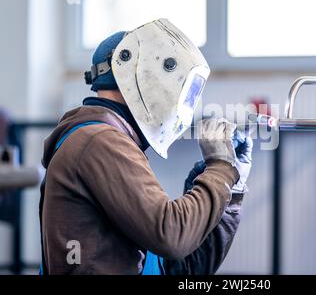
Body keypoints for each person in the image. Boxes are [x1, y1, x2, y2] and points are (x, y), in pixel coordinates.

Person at [39, 19, 253, 275]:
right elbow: (172, 235)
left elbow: (181, 269)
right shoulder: (99, 141)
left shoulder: (113, 140)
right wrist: (221, 170)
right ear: (135, 69)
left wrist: (231, 189)